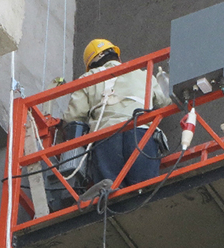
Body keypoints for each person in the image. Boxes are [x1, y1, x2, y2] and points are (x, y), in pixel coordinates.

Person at [63, 38, 170, 190]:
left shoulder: (87, 79)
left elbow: (74, 117)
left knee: (111, 197)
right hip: (141, 136)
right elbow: (165, 102)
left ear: (91, 65)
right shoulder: (142, 73)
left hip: (105, 139)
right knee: (146, 192)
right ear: (117, 56)